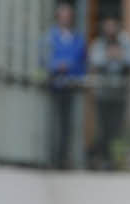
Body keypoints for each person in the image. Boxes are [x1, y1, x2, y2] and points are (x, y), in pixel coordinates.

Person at [40, 2, 86, 169]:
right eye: (63, 15)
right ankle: (51, 158)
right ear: (58, 17)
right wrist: (56, 66)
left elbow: (80, 62)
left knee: (68, 125)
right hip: (54, 87)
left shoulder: (77, 38)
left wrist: (75, 75)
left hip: (71, 87)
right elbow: (43, 60)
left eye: (68, 15)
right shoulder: (49, 37)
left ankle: (65, 158)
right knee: (53, 124)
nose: (66, 18)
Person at [87, 16, 130, 170]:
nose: (110, 30)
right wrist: (109, 56)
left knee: (117, 129)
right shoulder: (98, 44)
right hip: (102, 95)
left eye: (113, 26)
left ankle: (116, 161)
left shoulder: (125, 43)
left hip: (120, 95)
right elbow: (95, 61)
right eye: (107, 26)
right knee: (103, 129)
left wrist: (120, 56)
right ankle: (102, 159)